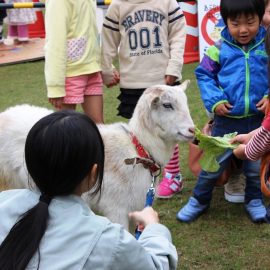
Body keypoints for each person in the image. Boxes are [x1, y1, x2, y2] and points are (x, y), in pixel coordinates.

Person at [0, 110, 178, 269]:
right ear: (94, 174)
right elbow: (155, 266)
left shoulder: (4, 203)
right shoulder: (107, 240)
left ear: (29, 165)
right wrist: (154, 229)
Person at [177, 0, 268, 223]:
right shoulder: (218, 49)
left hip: (256, 121)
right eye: (235, 23)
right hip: (226, 122)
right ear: (225, 21)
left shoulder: (266, 46)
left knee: (254, 166)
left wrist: (268, 96)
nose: (243, 29)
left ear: (260, 17)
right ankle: (199, 200)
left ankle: (254, 200)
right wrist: (215, 100)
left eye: (250, 22)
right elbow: (204, 74)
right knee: (213, 164)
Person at [101, 0, 186, 198]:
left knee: (169, 131)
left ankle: (173, 176)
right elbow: (108, 41)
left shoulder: (167, 2)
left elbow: (179, 34)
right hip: (133, 82)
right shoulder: (118, 6)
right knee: (138, 134)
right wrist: (106, 69)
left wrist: (174, 66)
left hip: (163, 80)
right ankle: (142, 175)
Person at [44, 0, 103, 123]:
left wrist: (104, 65)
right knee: (65, 129)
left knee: (99, 128)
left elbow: (93, 34)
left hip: (92, 70)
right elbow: (55, 43)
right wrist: (56, 86)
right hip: (70, 73)